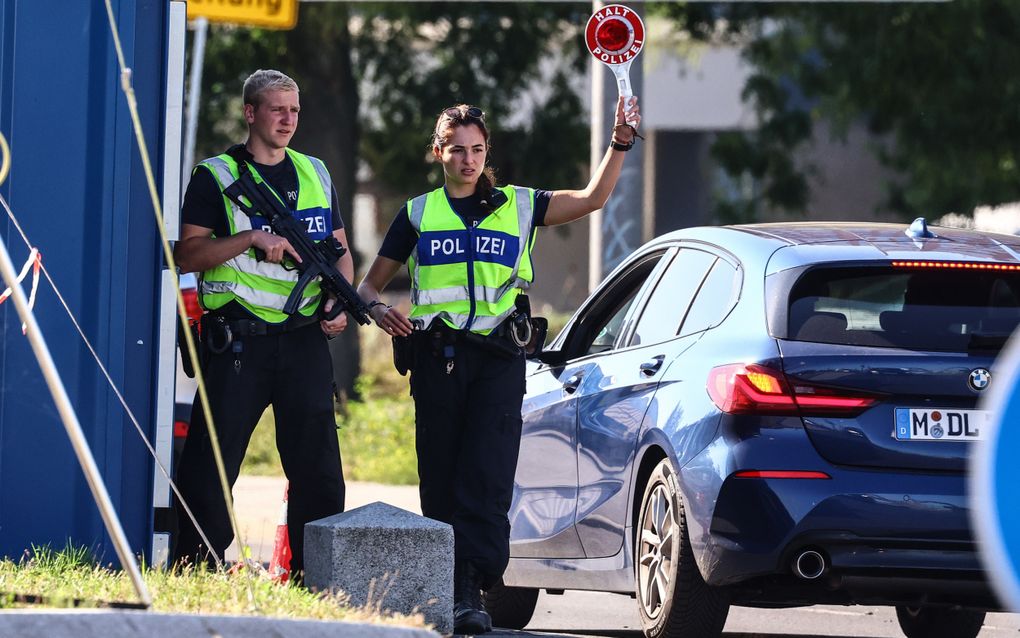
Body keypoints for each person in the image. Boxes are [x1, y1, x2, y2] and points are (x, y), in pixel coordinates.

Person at [356, 96, 641, 633]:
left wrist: (619, 141)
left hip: (497, 360)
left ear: (488, 154)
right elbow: (369, 285)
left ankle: (471, 590)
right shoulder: (417, 213)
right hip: (438, 360)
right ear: (438, 153)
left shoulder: (520, 204)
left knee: (485, 479)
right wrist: (376, 309)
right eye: (457, 150)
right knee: (440, 478)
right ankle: (446, 584)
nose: (468, 160)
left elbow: (593, 197)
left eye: (478, 150)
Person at [171, 69, 350, 579]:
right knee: (212, 466)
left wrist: (338, 303)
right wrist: (249, 240)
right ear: (251, 113)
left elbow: (340, 252)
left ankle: (316, 577)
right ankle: (197, 569)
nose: (288, 119)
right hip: (238, 343)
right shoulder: (217, 176)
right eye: (277, 109)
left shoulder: (315, 171)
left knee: (318, 470)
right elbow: (189, 254)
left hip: (302, 341)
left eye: (294, 110)